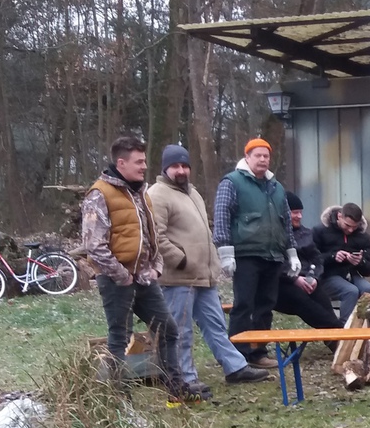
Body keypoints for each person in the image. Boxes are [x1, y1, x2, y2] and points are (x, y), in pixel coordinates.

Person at [81, 136, 199, 404]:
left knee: (168, 330)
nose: (145, 166)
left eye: (144, 161)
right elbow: (94, 245)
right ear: (121, 163)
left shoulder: (141, 193)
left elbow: (152, 234)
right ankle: (119, 398)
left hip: (145, 278)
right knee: (119, 337)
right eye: (139, 162)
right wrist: (122, 275)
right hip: (116, 280)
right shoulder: (99, 194)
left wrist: (156, 266)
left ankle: (176, 389)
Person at [147, 144, 270, 394]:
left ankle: (235, 367)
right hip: (178, 277)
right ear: (165, 168)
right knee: (180, 331)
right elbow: (155, 236)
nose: (181, 170)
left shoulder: (193, 193)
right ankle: (184, 377)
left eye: (185, 166)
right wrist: (180, 259)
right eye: (175, 166)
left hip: (204, 275)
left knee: (216, 326)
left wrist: (212, 262)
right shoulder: (157, 194)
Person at [213, 138, 300, 369]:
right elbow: (222, 215)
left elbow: (286, 222)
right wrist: (225, 252)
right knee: (243, 305)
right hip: (246, 255)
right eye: (258, 155)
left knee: (266, 305)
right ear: (247, 157)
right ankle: (237, 358)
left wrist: (292, 253)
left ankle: (258, 353)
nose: (262, 159)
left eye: (266, 156)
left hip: (272, 255)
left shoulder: (276, 187)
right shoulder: (232, 182)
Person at [276, 193, 342, 331]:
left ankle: (336, 339)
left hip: (308, 280)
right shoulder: (275, 235)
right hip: (281, 285)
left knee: (322, 300)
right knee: (302, 300)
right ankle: (338, 330)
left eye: (300, 212)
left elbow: (317, 258)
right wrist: (295, 279)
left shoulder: (306, 233)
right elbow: (276, 263)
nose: (299, 216)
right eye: (295, 213)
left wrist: (314, 277)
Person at [314, 202, 370, 322]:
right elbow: (312, 259)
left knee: (368, 290)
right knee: (350, 291)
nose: (351, 230)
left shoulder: (363, 237)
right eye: (347, 225)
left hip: (352, 275)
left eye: (354, 227)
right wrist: (333, 257)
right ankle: (344, 328)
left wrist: (360, 262)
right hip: (326, 276)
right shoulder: (320, 231)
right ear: (339, 216)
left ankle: (366, 326)